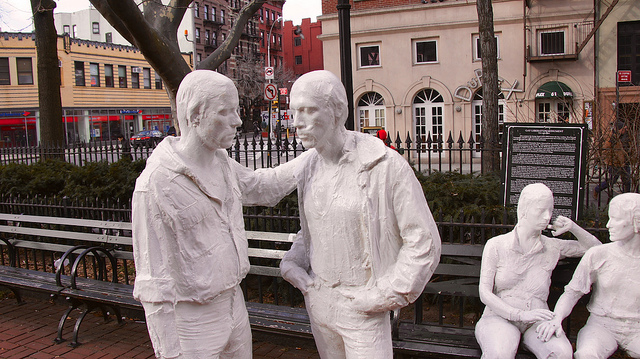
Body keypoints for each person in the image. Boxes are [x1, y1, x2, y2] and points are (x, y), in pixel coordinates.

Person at [132, 70, 298, 359]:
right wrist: (170, 353)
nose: (238, 120)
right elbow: (153, 284)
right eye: (226, 111)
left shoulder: (222, 162)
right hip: (192, 322)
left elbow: (263, 187)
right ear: (196, 115)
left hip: (234, 303)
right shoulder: (156, 184)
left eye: (236, 110)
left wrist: (316, 153)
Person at [279, 70, 441, 359]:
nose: (297, 123)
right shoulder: (309, 166)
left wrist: (381, 296)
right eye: (294, 112)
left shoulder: (385, 165)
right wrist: (294, 265)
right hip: (319, 299)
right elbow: (314, 227)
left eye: (308, 111)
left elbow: (423, 242)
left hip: (362, 306)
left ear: (337, 111)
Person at [475, 183, 601, 359]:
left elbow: (597, 250)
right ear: (524, 209)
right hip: (499, 317)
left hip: (538, 319)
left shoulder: (553, 246)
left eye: (550, 210)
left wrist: (572, 227)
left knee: (561, 353)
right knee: (499, 354)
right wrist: (520, 315)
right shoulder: (497, 245)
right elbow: (485, 293)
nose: (547, 216)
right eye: (541, 210)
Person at [537, 192, 640, 359]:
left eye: (616, 219)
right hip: (602, 325)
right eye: (609, 218)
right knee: (586, 355)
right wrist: (557, 319)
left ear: (636, 222)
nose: (608, 225)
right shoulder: (599, 254)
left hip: (637, 328)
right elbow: (571, 293)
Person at [594, 120, 631, 199]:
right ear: (619, 129)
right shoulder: (612, 137)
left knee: (627, 181)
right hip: (615, 163)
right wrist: (610, 160)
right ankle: (597, 189)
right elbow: (606, 149)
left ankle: (626, 198)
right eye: (624, 128)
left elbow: (629, 147)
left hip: (625, 162)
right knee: (612, 180)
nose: (626, 130)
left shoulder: (626, 136)